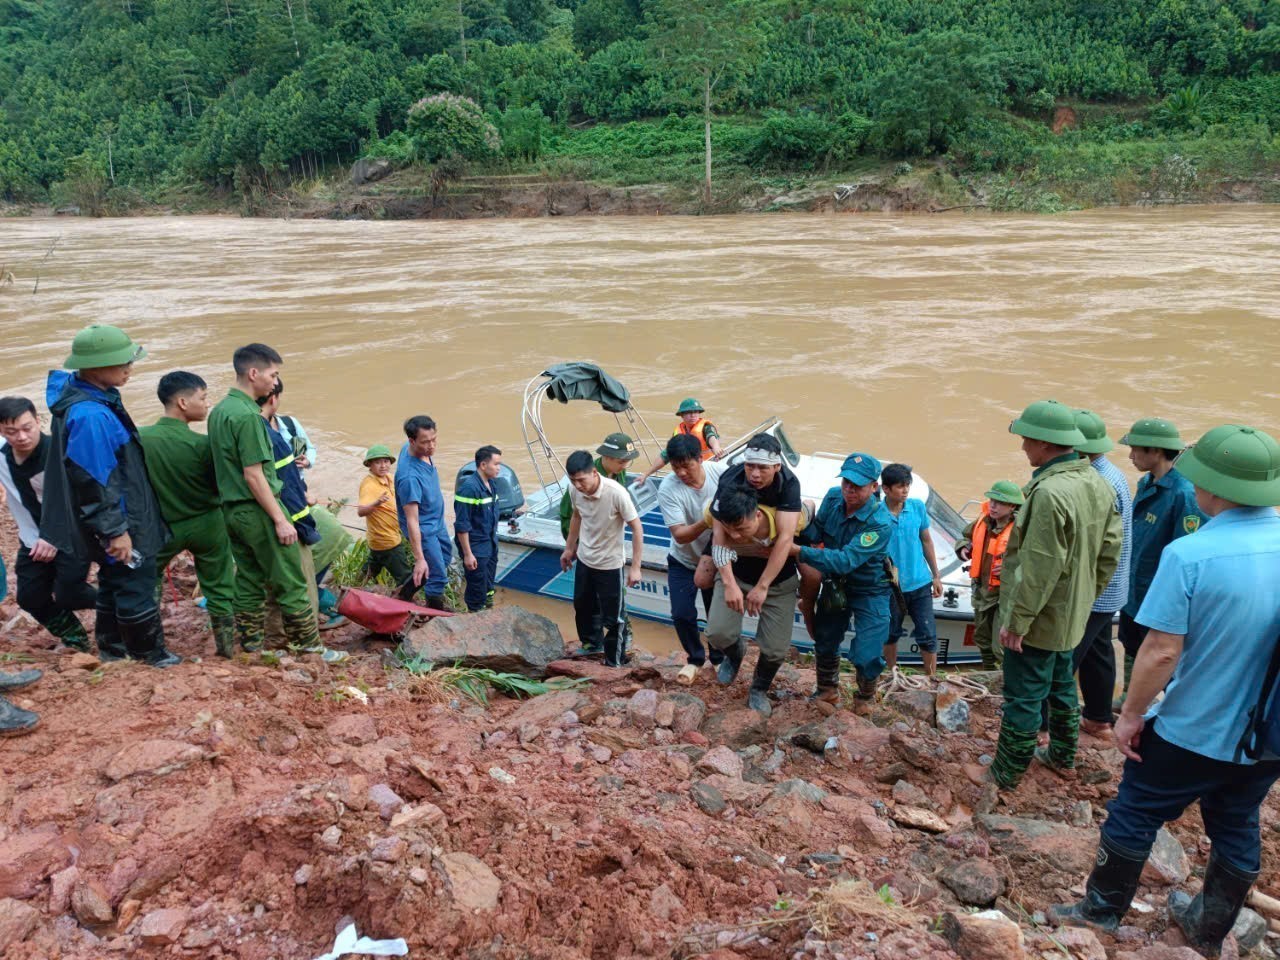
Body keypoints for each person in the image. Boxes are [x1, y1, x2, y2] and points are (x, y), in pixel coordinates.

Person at [1052, 424, 1280, 957]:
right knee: (1238, 820)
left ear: (1218, 489)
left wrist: (1129, 716)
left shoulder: (1191, 554)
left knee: (1135, 809)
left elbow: (1160, 651)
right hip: (1269, 735)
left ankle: (1101, 911)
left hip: (1195, 727)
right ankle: (1208, 929)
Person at [990, 400, 1122, 790]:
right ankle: (1063, 756)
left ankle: (1006, 772)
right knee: (1063, 684)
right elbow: (1111, 549)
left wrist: (1017, 621)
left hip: (1040, 617)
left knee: (1024, 694)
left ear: (1045, 444)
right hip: (1072, 612)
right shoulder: (1096, 482)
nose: (1023, 447)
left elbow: (1038, 567)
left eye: (1027, 439)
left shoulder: (1048, 493)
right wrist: (1086, 596)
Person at [39, 324, 179, 666]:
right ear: (97, 366)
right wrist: (116, 531)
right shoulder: (90, 415)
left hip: (115, 514)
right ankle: (149, 655)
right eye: (123, 363)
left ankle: (113, 651)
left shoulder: (92, 398)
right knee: (135, 582)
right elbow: (96, 482)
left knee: (114, 581)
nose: (130, 369)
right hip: (121, 518)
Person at [208, 343, 319, 654]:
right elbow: (254, 475)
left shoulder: (219, 412)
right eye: (273, 374)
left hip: (231, 512)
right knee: (291, 581)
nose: (274, 382)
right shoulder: (248, 416)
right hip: (258, 510)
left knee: (248, 580)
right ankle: (310, 651)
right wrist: (281, 520)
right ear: (253, 373)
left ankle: (252, 646)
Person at [138, 372, 237, 657]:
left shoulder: (141, 438)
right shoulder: (203, 445)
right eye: (203, 397)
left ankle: (153, 647)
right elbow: (222, 484)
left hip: (162, 526)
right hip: (208, 523)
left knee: (149, 581)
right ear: (183, 402)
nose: (207, 404)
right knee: (219, 586)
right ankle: (226, 650)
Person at [792, 453, 893, 706]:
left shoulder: (880, 523)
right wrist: (798, 522)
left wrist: (797, 551)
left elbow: (845, 560)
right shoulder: (833, 497)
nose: (850, 489)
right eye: (846, 481)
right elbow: (818, 531)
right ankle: (827, 690)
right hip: (836, 583)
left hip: (870, 588)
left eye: (858, 485)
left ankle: (865, 698)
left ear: (874, 487)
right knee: (826, 638)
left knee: (868, 653)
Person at [1117, 417, 1205, 704]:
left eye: (1136, 450)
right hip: (1135, 586)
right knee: (1131, 644)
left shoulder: (1183, 494)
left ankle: (1166, 707)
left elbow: (1189, 551)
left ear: (1155, 451)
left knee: (1162, 655)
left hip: (1159, 590)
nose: (1130, 456)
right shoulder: (1147, 483)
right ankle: (1132, 697)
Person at [0, 396, 96, 650]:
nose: (21, 436)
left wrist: (53, 536)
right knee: (30, 597)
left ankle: (123, 604)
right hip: (31, 538)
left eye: (27, 428)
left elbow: (75, 503)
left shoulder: (59, 454)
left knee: (70, 595)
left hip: (69, 535)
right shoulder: (2, 454)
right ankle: (76, 639)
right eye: (11, 431)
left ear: (38, 421)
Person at [705, 484, 801, 715]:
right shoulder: (715, 515)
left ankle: (759, 688)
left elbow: (810, 507)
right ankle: (736, 653)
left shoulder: (790, 520)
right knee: (717, 633)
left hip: (778, 585)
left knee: (776, 650)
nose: (736, 536)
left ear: (757, 515)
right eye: (730, 530)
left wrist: (764, 586)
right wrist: (729, 584)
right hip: (737, 576)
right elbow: (717, 542)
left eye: (741, 528)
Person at [1069, 409, 1132, 736]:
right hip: (1112, 587)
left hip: (1094, 588)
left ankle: (1050, 728)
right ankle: (1097, 718)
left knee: (1064, 658)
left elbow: (1096, 544)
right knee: (1098, 652)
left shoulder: (1097, 481)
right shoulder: (1113, 473)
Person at [559, 450, 644, 668]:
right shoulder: (574, 489)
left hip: (610, 563)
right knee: (583, 605)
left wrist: (635, 567)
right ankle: (591, 644)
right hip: (586, 557)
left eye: (581, 480)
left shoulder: (616, 493)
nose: (578, 485)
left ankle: (614, 661)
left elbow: (636, 528)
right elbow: (577, 516)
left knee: (613, 618)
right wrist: (569, 549)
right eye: (573, 480)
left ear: (594, 473)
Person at [257, 381, 323, 650]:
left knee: (321, 545)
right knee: (294, 576)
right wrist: (284, 518)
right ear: (274, 397)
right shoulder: (258, 431)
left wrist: (307, 460)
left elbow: (310, 449)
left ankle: (285, 634)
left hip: (297, 497)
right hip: (285, 507)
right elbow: (262, 478)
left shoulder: (289, 425)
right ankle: (299, 639)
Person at [657, 433, 728, 679]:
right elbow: (680, 535)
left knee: (716, 616)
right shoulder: (668, 488)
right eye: (676, 467)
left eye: (686, 466)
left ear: (700, 458)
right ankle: (695, 658)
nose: (681, 473)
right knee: (682, 613)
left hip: (716, 559)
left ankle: (718, 658)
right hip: (683, 560)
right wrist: (707, 520)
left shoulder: (720, 473)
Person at [881, 463, 942, 678]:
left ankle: (931, 678)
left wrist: (936, 575)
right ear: (886, 489)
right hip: (889, 586)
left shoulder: (917, 507)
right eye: (900, 486)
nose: (905, 490)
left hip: (920, 583)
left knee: (928, 634)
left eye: (907, 485)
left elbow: (927, 541)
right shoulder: (876, 514)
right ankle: (892, 674)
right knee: (890, 634)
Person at [955, 480, 1023, 671]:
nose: (993, 506)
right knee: (982, 640)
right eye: (992, 501)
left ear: (1012, 506)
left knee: (1000, 647)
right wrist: (962, 547)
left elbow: (1035, 560)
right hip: (982, 591)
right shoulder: (983, 520)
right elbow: (965, 537)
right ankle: (989, 676)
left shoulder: (1021, 528)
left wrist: (1012, 567)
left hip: (1005, 595)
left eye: (1000, 503)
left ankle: (1004, 685)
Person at [396, 415, 453, 612]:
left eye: (434, 439)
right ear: (412, 441)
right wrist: (419, 558)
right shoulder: (409, 477)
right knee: (437, 575)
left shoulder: (415, 447)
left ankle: (404, 594)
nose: (431, 446)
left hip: (437, 521)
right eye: (425, 442)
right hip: (424, 528)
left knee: (445, 559)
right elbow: (412, 521)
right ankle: (434, 614)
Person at [357, 444, 413, 593]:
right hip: (387, 541)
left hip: (381, 538)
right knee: (406, 577)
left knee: (372, 567)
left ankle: (355, 587)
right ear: (369, 464)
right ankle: (407, 601)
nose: (383, 466)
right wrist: (377, 502)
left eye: (386, 461)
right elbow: (361, 511)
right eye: (378, 462)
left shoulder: (389, 478)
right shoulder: (369, 485)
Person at [455, 445, 503, 612]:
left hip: (490, 543)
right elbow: (462, 525)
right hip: (475, 547)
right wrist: (468, 554)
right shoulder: (469, 489)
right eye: (496, 464)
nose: (499, 468)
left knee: (488, 584)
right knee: (476, 587)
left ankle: (488, 610)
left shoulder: (492, 484)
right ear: (483, 465)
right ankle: (475, 619)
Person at [635, 398, 725, 485]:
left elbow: (711, 437)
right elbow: (666, 454)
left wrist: (716, 447)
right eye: (689, 413)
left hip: (708, 466)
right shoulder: (678, 432)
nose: (693, 415)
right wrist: (646, 474)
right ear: (682, 415)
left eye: (696, 412)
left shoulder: (706, 427)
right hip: (689, 472)